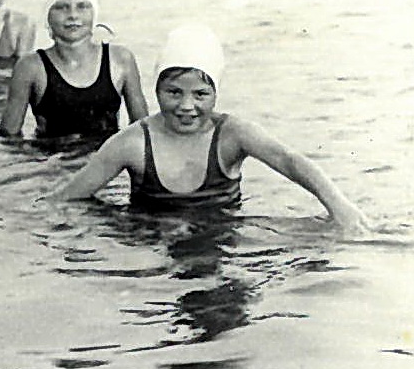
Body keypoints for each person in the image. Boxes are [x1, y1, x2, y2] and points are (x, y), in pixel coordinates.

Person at [53, 24, 368, 233]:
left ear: (216, 93)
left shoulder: (231, 134)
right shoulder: (133, 142)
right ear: (156, 89)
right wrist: (116, 229)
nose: (186, 106)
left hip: (220, 235)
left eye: (200, 94)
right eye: (173, 92)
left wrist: (339, 206)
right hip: (154, 243)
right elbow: (66, 199)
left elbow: (289, 160)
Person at [0, 0, 147, 141]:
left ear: (95, 13)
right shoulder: (31, 67)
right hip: (52, 154)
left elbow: (143, 128)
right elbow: (9, 135)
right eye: (62, 7)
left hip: (107, 154)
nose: (73, 15)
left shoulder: (120, 60)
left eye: (82, 6)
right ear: (47, 16)